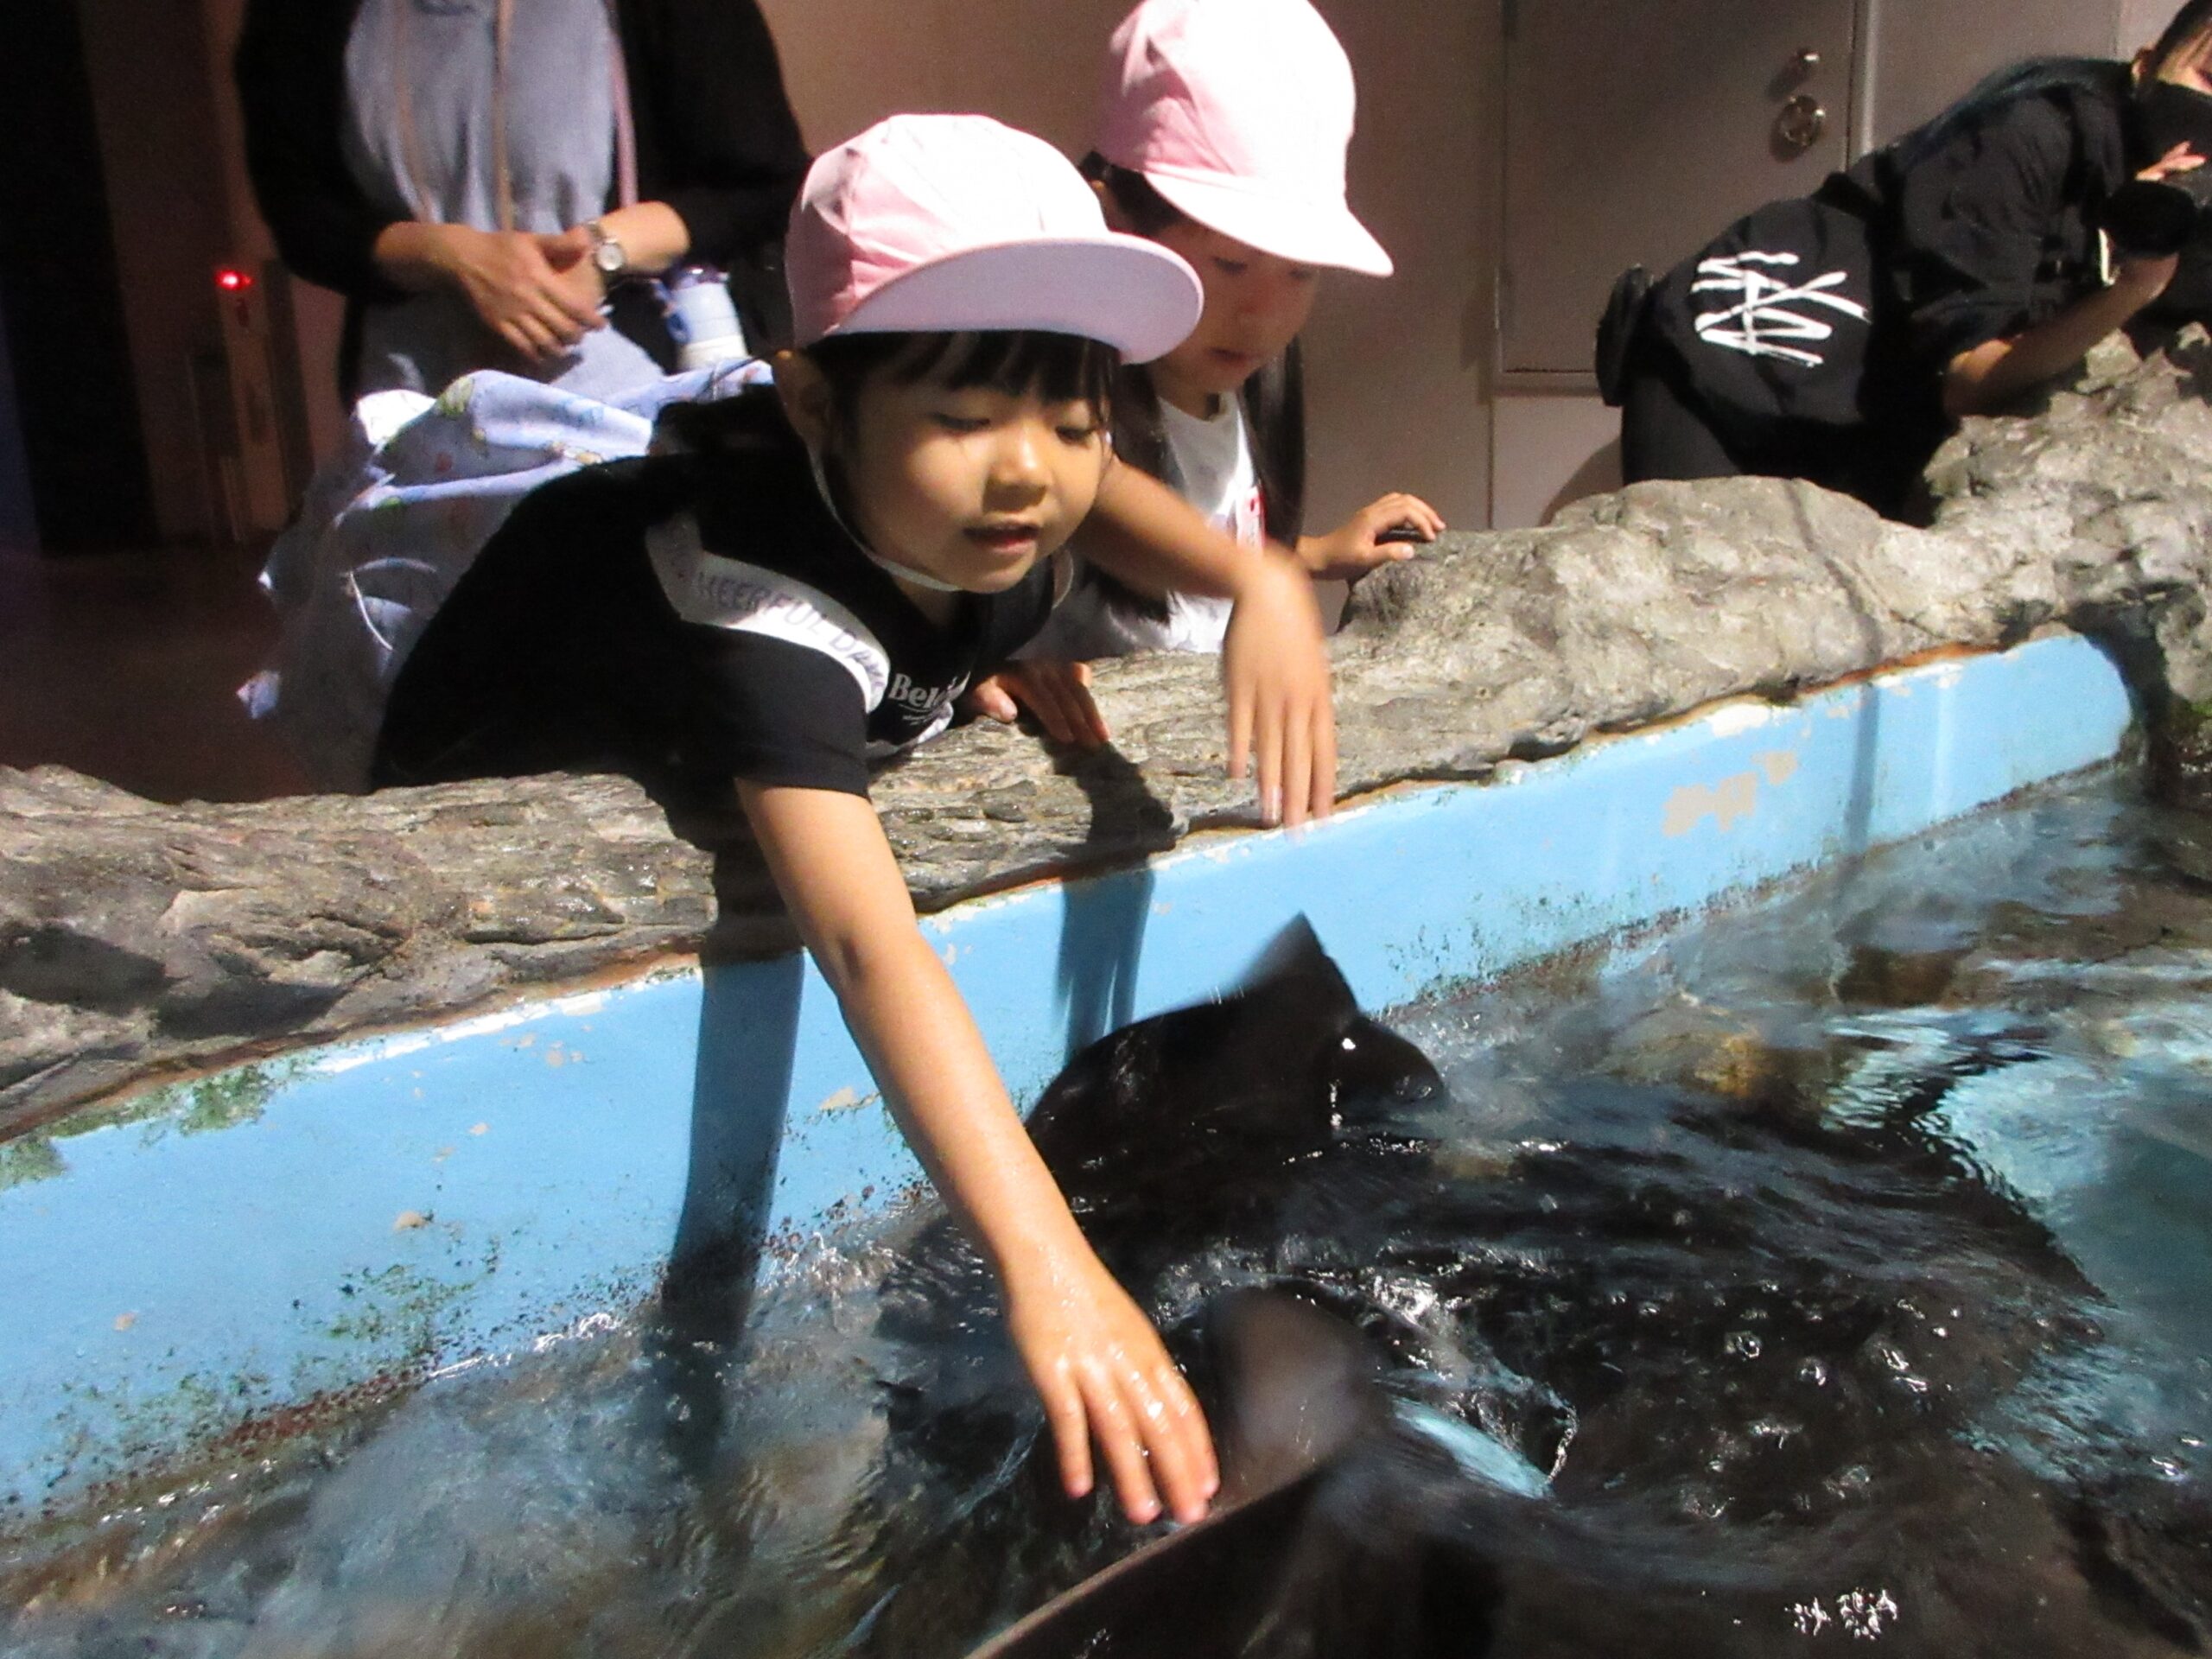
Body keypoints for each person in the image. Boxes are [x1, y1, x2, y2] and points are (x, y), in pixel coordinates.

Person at [372, 113, 1345, 1525]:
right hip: (486, 795)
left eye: (1072, 420)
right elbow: (868, 947)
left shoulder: (995, 504)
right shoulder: (761, 609)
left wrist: (1257, 582)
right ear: (817, 405)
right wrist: (1049, 1267)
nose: (1030, 473)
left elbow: (1097, 501)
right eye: (963, 421)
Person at [971, 0, 1445, 749]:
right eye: (1228, 263)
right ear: (1111, 219)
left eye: (1301, 272)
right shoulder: (1050, 410)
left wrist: (1310, 556)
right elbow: (1040, 523)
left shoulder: (1234, 392)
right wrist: (977, 669)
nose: (1264, 314)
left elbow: (1213, 549)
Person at [1609, 1, 2212, 520]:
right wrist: (2134, 287)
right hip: (1741, 362)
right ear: (2145, 64)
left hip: (1879, 421)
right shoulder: (2034, 134)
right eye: (2209, 77)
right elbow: (1970, 379)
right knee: (1702, 590)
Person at [234, 0, 810, 402]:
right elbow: (302, 215)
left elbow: (763, 186)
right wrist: (450, 256)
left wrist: (601, 253)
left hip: (631, 405)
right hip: (415, 414)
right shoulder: (302, 18)